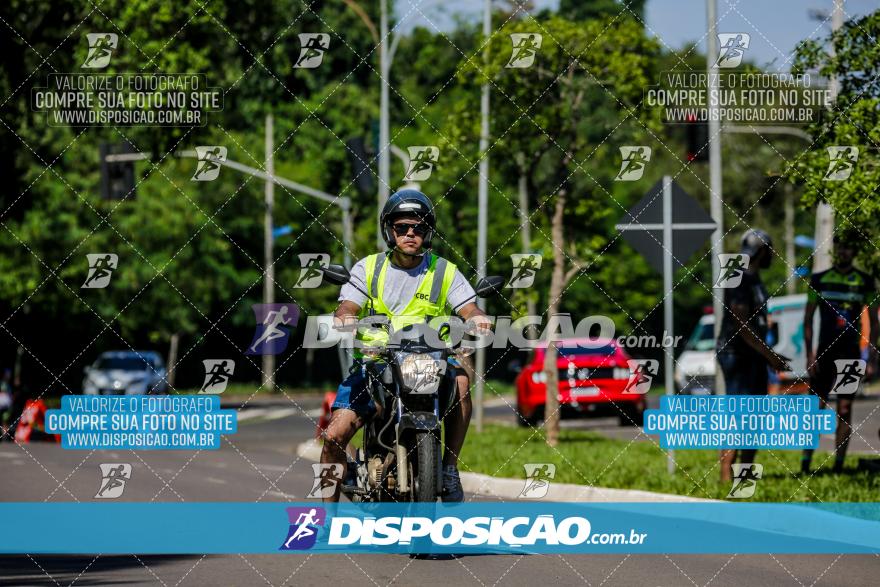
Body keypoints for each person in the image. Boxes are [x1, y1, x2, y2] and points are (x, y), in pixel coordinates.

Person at [320, 189, 491, 502]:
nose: (411, 233)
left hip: (429, 361)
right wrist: (344, 316)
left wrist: (478, 318)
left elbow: (469, 308)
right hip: (376, 364)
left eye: (419, 227)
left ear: (427, 232)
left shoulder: (444, 271)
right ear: (390, 230)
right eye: (402, 227)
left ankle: (449, 470)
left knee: (463, 382)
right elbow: (348, 306)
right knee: (333, 436)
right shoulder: (367, 268)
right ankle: (324, 518)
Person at [716, 229, 790, 483]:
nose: (774, 256)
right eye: (771, 250)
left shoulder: (755, 278)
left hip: (753, 355)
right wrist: (769, 356)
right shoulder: (738, 277)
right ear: (761, 250)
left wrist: (768, 353)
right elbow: (740, 323)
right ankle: (726, 477)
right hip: (736, 353)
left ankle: (744, 475)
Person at [801, 232, 878, 474]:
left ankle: (838, 466)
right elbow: (808, 318)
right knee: (816, 408)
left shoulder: (865, 281)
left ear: (854, 252)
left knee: (845, 409)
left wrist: (872, 356)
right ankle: (805, 464)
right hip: (824, 352)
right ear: (835, 250)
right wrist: (810, 355)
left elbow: (874, 322)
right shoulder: (819, 279)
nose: (844, 252)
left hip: (851, 354)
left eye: (848, 248)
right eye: (840, 248)